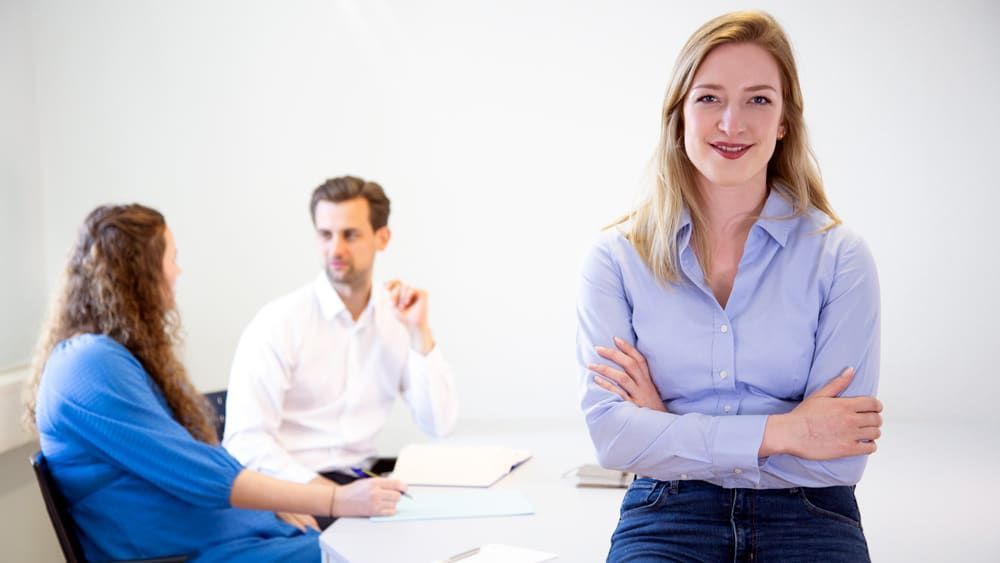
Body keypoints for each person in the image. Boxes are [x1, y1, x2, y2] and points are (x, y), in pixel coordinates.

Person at [577, 11, 882, 562]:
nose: (731, 123)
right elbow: (613, 439)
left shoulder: (841, 258)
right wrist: (786, 431)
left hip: (810, 512)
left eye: (759, 100)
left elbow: (838, 453)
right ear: (679, 115)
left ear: (786, 119)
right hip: (668, 513)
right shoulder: (617, 258)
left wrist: (666, 429)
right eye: (710, 98)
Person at [24, 204, 407, 562]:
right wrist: (335, 500)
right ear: (139, 273)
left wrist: (272, 502)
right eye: (172, 258)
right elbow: (198, 474)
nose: (178, 272)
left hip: (226, 537)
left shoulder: (107, 359)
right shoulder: (89, 366)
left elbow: (197, 465)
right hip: (195, 552)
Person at [223, 176, 458, 528]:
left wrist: (419, 332)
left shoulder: (396, 316)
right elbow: (245, 441)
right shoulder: (279, 322)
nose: (335, 249)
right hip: (290, 491)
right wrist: (324, 496)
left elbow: (439, 423)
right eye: (325, 235)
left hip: (360, 482)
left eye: (350, 234)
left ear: (383, 238)